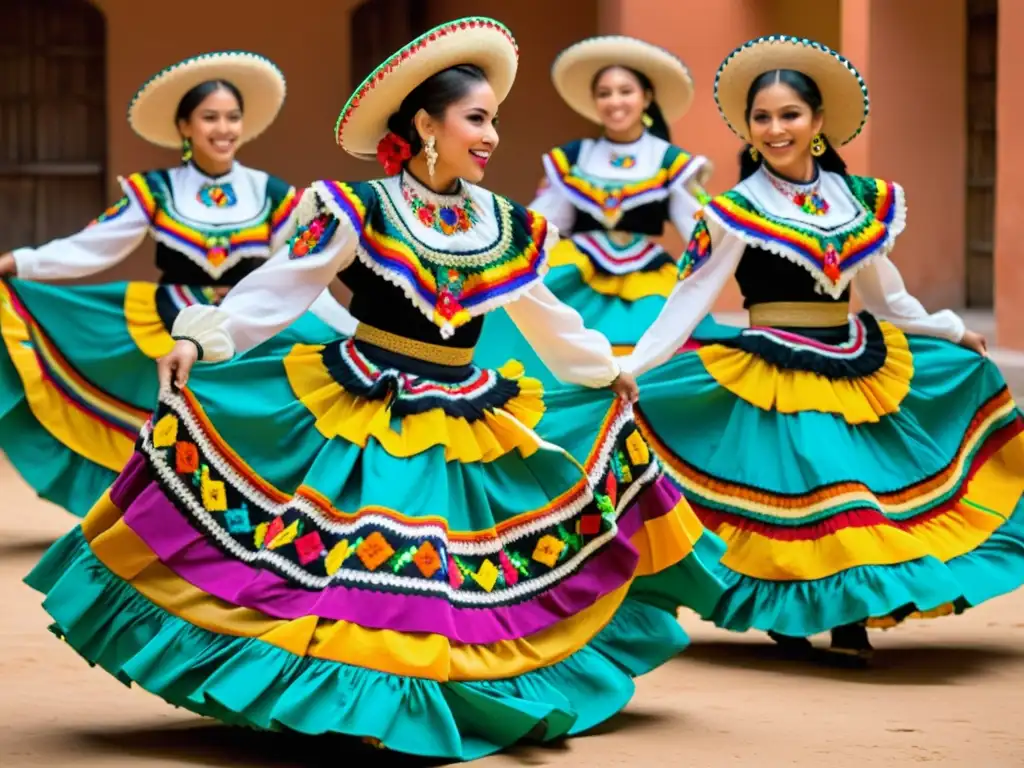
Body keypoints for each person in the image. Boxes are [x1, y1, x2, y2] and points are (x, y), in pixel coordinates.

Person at [26, 18, 725, 760]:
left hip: (463, 406)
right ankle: (351, 697)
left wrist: (603, 368)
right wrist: (203, 334)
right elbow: (279, 287)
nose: (491, 136)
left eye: (494, 121)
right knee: (365, 564)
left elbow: (543, 313)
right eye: (477, 120)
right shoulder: (354, 208)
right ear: (426, 124)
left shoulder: (504, 223)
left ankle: (428, 692)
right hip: (366, 399)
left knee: (442, 569)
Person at [616, 35, 1024, 665]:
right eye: (762, 118)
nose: (776, 129)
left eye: (789, 115)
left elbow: (887, 298)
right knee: (823, 495)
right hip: (773, 370)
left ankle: (848, 614)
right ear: (749, 130)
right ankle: (816, 614)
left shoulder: (858, 201)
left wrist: (948, 332)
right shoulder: (732, 211)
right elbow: (688, 301)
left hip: (854, 358)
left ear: (818, 123)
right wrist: (631, 368)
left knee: (855, 491)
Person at [0, 51, 354, 516]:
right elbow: (92, 246)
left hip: (243, 326)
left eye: (232, 118)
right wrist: (17, 262)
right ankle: (157, 518)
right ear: (185, 127)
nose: (223, 128)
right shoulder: (156, 189)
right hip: (167, 322)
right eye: (210, 118)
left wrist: (347, 325)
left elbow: (300, 269)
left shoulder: (271, 193)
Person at [475, 35, 737, 387]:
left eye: (625, 91)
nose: (615, 101)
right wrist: (493, 244)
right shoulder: (574, 158)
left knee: (668, 349)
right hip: (579, 269)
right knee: (532, 327)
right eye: (604, 93)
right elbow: (543, 222)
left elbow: (701, 232)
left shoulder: (669, 161)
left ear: (646, 97)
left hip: (648, 276)